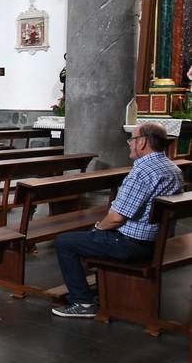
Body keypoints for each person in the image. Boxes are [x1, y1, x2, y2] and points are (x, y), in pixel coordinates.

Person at [51, 122, 183, 318]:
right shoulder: (173, 168)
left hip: (133, 245)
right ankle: (102, 288)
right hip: (158, 242)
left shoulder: (142, 172)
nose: (129, 144)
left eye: (132, 139)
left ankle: (83, 302)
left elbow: (115, 219)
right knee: (88, 236)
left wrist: (98, 228)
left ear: (143, 142)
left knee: (64, 242)